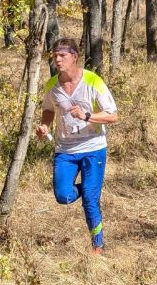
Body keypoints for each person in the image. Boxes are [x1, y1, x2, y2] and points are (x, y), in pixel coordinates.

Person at [36, 38, 118, 255]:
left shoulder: (93, 81)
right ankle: (90, 188)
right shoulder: (52, 85)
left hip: (93, 147)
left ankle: (98, 246)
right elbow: (49, 109)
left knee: (90, 201)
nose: (57, 60)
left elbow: (113, 116)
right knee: (63, 196)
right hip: (65, 150)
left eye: (62, 55)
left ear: (74, 56)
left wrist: (87, 116)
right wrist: (44, 126)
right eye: (55, 56)